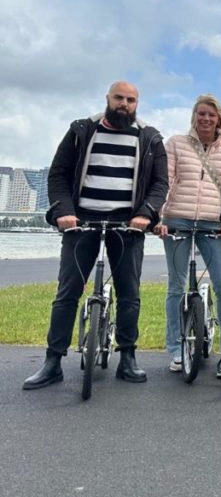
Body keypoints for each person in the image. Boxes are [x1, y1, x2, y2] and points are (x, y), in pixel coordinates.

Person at [24, 81, 168, 390]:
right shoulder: (81, 130)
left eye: (131, 100)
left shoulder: (150, 138)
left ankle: (128, 357)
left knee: (129, 294)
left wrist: (145, 213)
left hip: (128, 226)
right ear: (107, 99)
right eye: (119, 98)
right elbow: (58, 174)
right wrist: (63, 211)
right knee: (67, 293)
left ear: (137, 104)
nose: (124, 104)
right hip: (81, 221)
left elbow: (160, 184)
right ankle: (53, 361)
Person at [156, 94, 221, 372]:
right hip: (177, 219)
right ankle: (176, 348)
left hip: (212, 223)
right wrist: (159, 217)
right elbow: (164, 181)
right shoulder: (176, 143)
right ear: (194, 116)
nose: (206, 119)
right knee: (176, 286)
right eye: (201, 113)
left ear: (220, 118)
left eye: (212, 114)